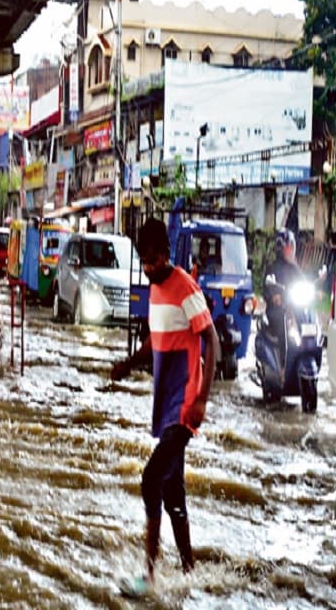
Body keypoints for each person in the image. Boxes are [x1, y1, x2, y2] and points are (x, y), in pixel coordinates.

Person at [110, 217, 219, 597]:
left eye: (153, 261)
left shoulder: (184, 287)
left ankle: (149, 578)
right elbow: (153, 343)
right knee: (173, 495)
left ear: (166, 254)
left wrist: (202, 398)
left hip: (184, 406)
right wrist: (128, 363)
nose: (148, 268)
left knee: (150, 479)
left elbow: (211, 338)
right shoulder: (156, 289)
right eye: (143, 262)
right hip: (165, 406)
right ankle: (191, 574)